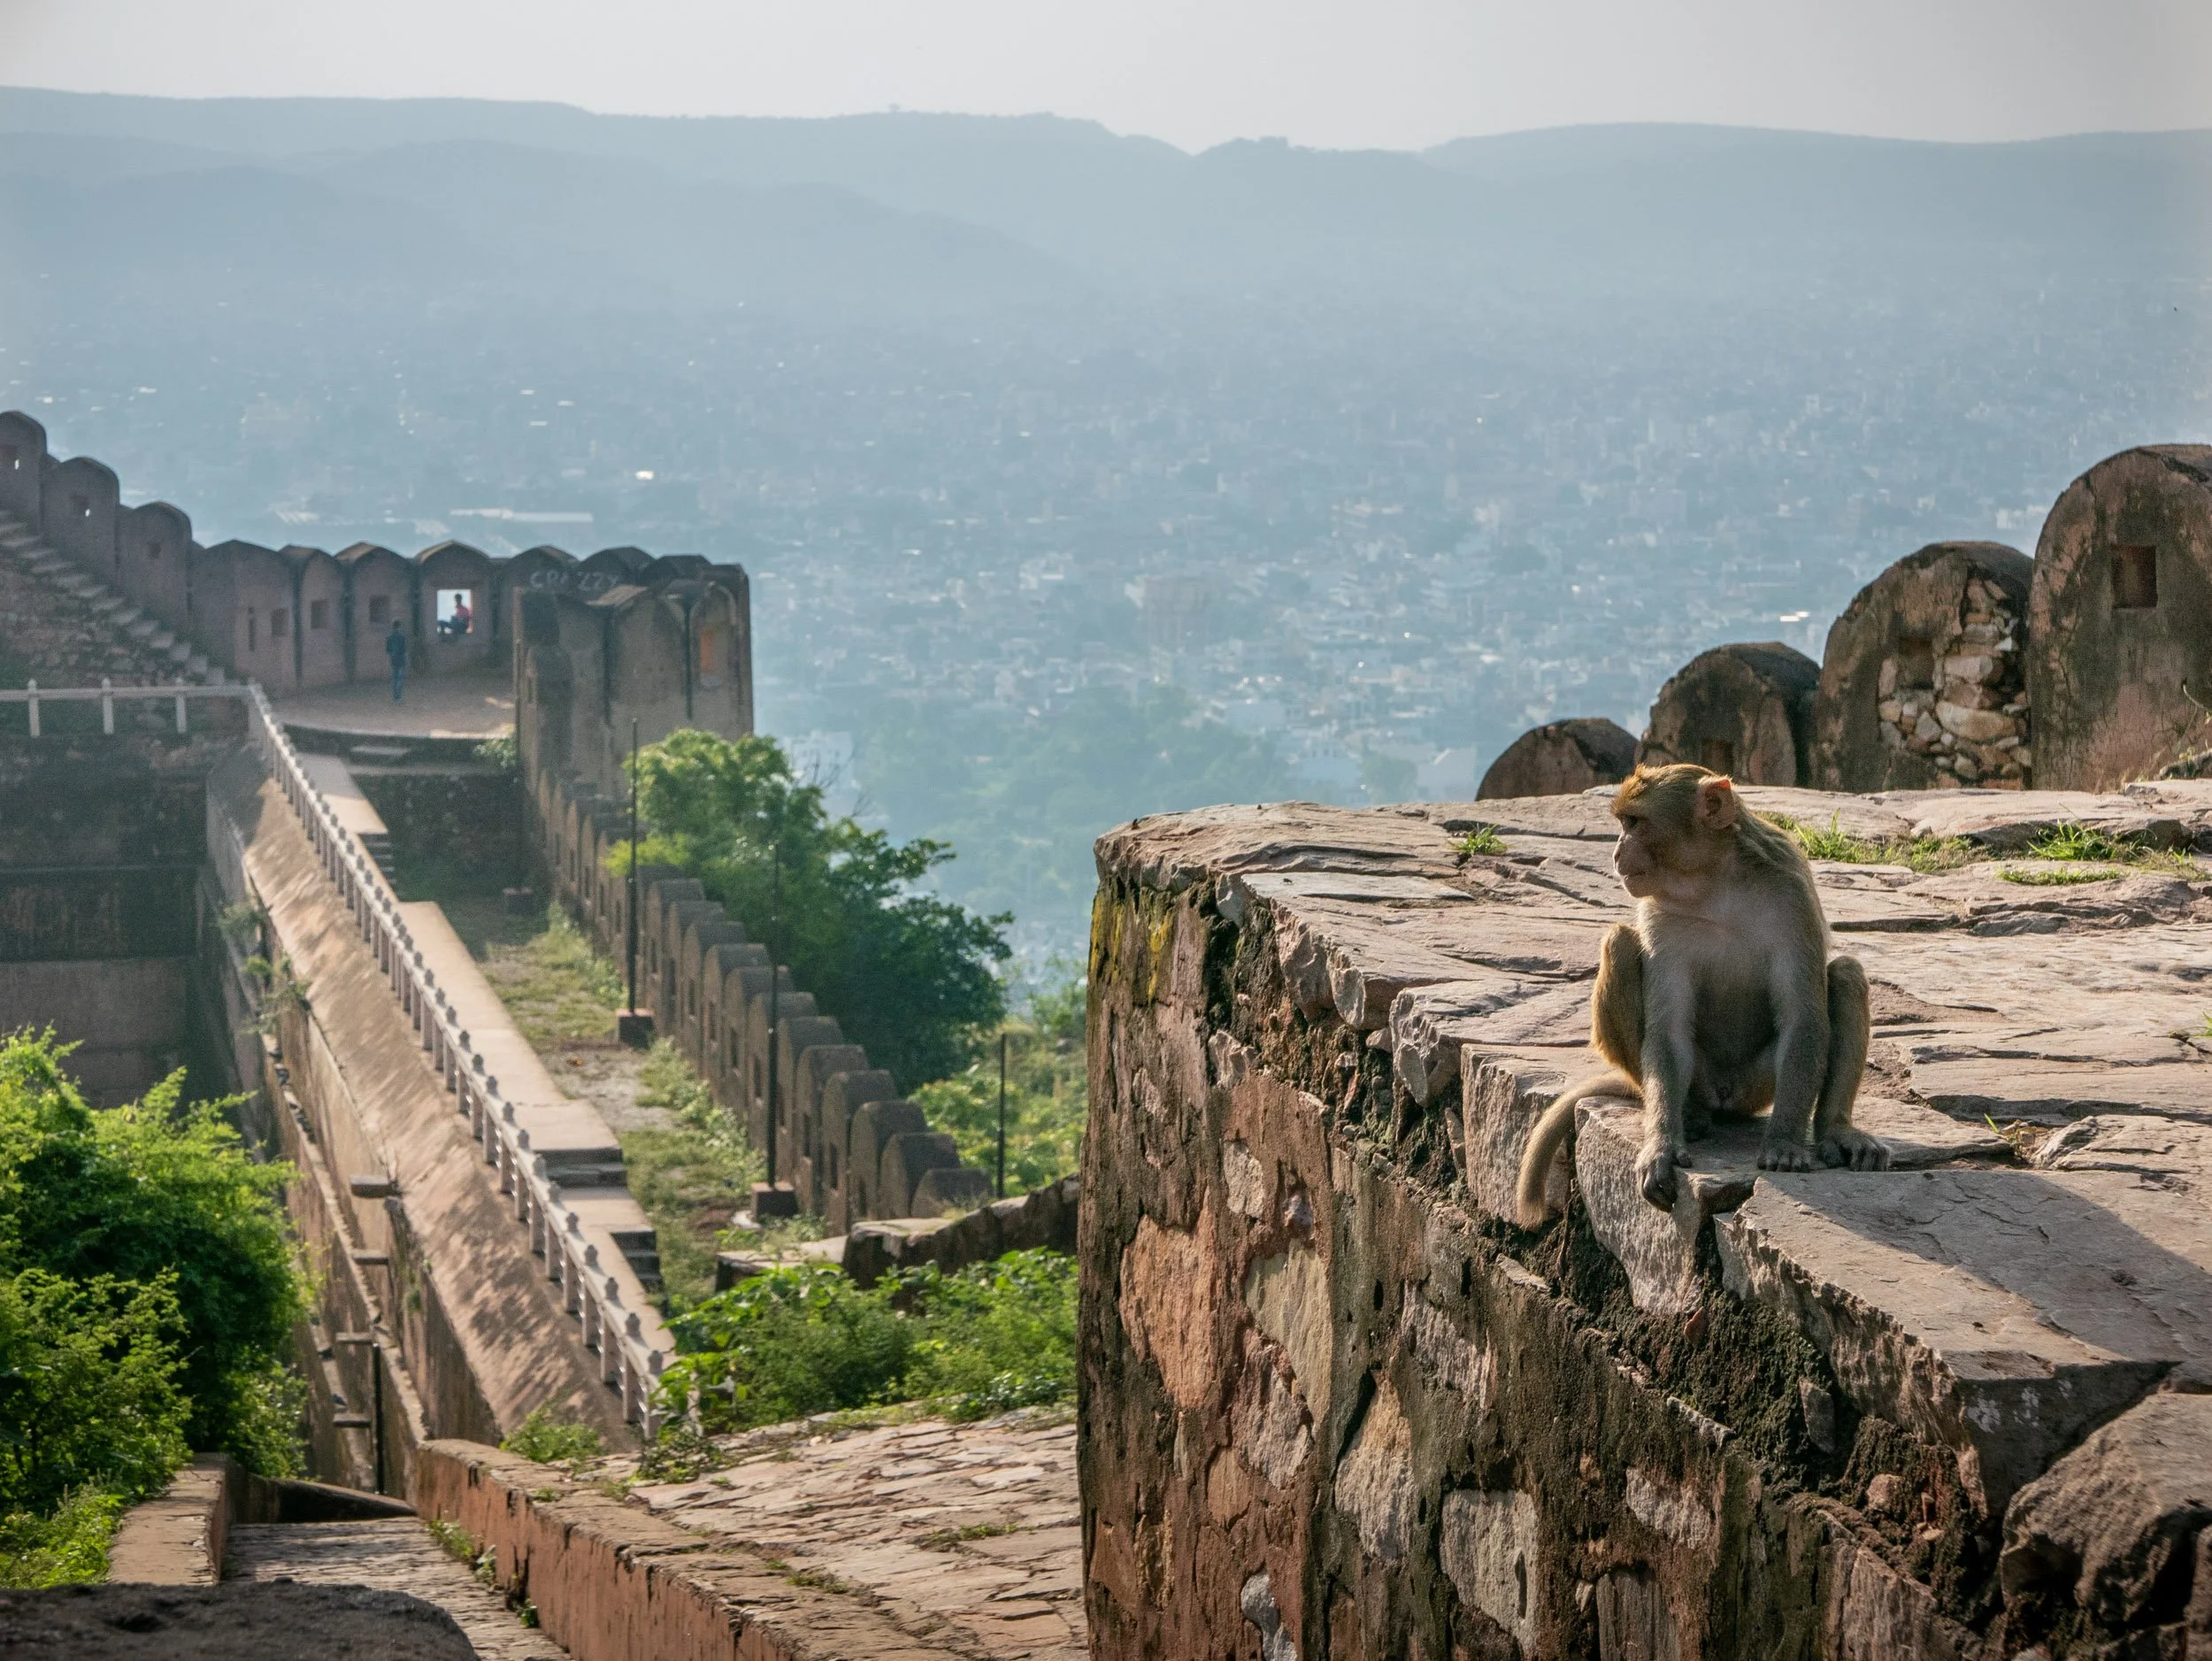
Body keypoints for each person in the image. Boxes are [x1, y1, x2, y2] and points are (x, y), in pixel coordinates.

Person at [386, 619, 409, 703]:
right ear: (399, 626)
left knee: (395, 679)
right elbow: (404, 650)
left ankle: (395, 697)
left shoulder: (389, 637)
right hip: (401, 660)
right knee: (399, 679)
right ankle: (398, 697)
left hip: (393, 660)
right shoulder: (402, 637)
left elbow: (388, 650)